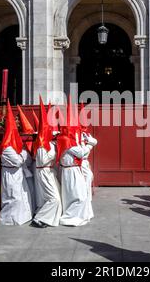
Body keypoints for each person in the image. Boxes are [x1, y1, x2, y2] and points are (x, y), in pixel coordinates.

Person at [0, 100, 34, 226]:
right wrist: (23, 153)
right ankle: (9, 219)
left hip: (18, 174)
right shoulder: (7, 147)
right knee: (13, 197)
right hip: (11, 174)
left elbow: (27, 159)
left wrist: (22, 154)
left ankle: (22, 217)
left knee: (23, 196)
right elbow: (18, 161)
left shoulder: (16, 145)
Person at [58, 97, 92, 226]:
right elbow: (82, 153)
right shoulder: (68, 141)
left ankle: (79, 215)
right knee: (78, 195)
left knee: (76, 194)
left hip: (72, 169)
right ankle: (72, 217)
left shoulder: (66, 140)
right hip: (71, 170)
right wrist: (88, 145)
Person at [30, 98, 62, 228]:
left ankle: (48, 218)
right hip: (44, 172)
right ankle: (39, 218)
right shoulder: (42, 145)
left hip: (48, 171)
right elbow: (43, 161)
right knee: (54, 198)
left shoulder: (47, 143)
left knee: (55, 196)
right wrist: (54, 150)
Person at [81, 131, 98, 222]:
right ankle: (85, 200)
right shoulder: (76, 136)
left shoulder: (85, 134)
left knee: (89, 178)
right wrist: (89, 145)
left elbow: (95, 141)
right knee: (85, 181)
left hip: (84, 162)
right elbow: (81, 152)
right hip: (79, 163)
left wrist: (89, 142)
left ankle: (88, 200)